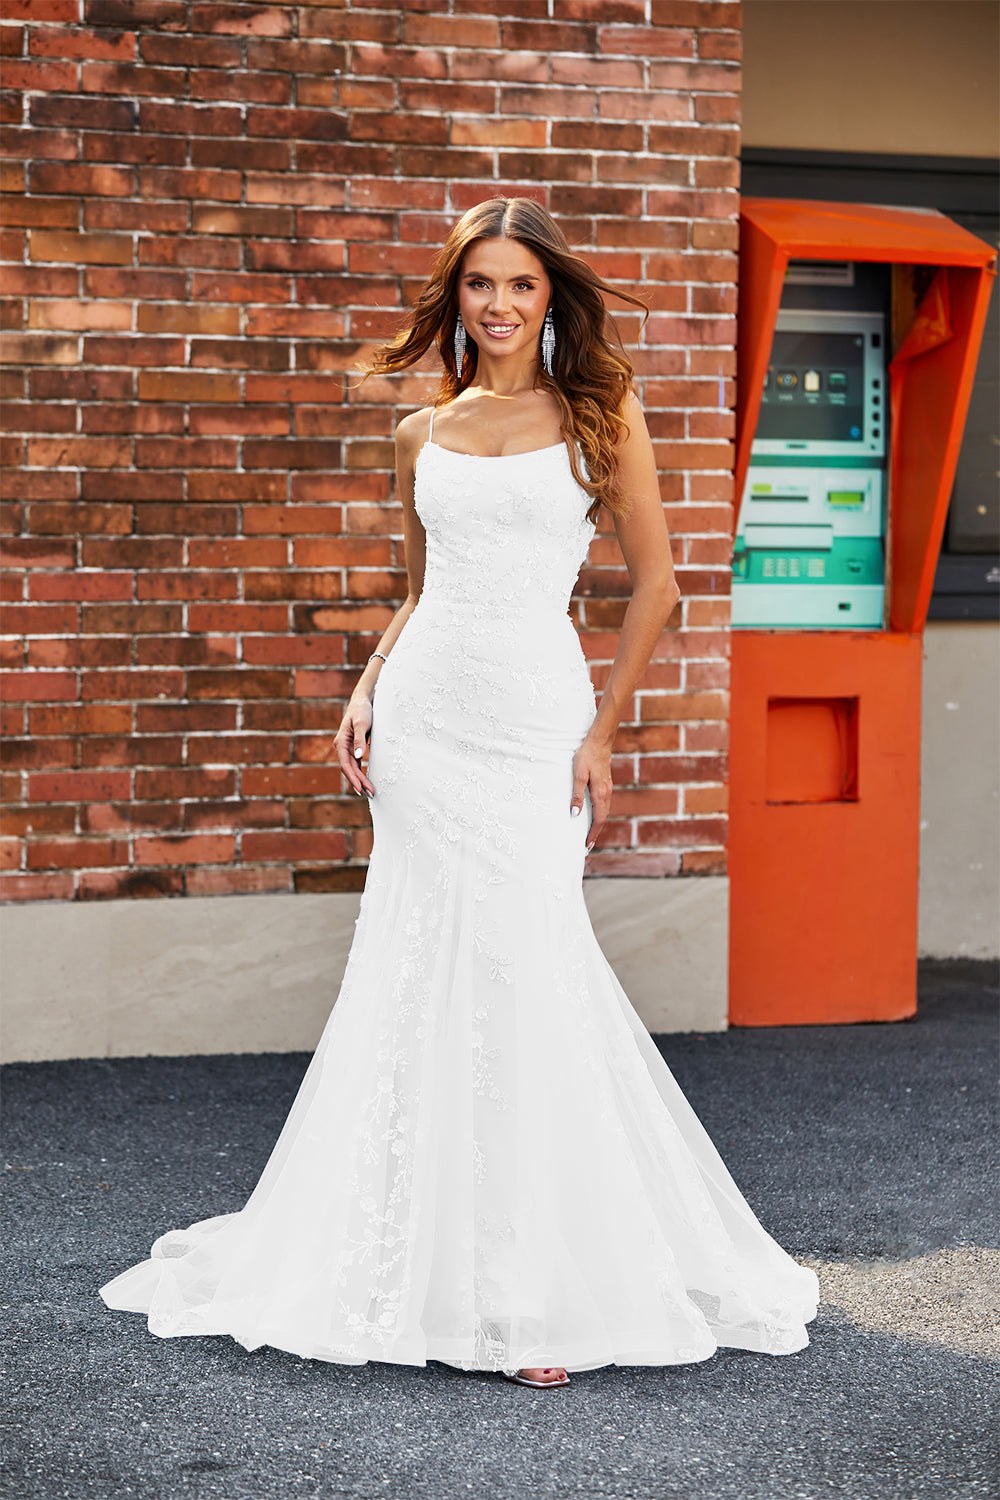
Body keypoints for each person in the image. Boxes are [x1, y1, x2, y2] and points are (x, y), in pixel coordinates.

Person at [100, 198, 819, 1390]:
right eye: (479, 284)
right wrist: (363, 689)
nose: (498, 304)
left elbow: (659, 590)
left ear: (551, 300)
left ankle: (544, 1291)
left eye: (521, 285)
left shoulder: (602, 416)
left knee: (526, 968)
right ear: (456, 298)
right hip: (425, 727)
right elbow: (418, 594)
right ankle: (405, 1263)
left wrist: (602, 731)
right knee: (414, 965)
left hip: (537, 723)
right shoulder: (422, 432)